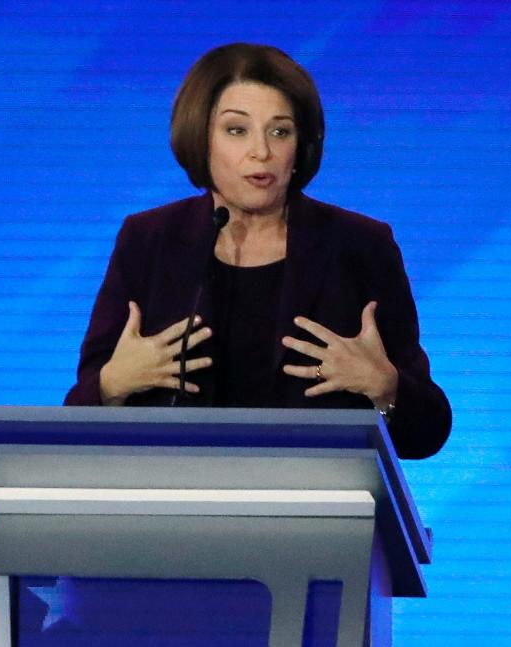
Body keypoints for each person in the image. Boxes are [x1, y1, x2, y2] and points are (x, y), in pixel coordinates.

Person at [64, 43, 451, 459]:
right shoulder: (148, 240)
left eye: (280, 131)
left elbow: (428, 431)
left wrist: (385, 387)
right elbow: (77, 416)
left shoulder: (360, 246)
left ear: (300, 147)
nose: (261, 151)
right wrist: (112, 385)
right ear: (201, 137)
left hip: (317, 510)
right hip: (173, 506)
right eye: (237, 130)